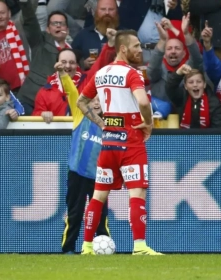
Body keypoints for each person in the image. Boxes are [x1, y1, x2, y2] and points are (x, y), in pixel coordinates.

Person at [77, 29, 160, 255]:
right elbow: (143, 101)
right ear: (123, 48)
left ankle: (86, 246)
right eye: (136, 46)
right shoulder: (132, 74)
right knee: (137, 193)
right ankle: (140, 246)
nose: (140, 50)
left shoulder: (101, 73)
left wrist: (101, 123)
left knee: (98, 196)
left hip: (109, 143)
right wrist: (148, 122)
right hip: (131, 142)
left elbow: (81, 102)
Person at [57, 28, 118, 254]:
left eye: (101, 102)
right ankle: (68, 249)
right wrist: (64, 75)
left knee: (100, 214)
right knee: (74, 213)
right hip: (76, 173)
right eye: (93, 100)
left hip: (99, 176)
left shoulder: (110, 124)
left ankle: (103, 248)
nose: (96, 104)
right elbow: (73, 92)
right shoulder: (79, 114)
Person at [166, 64, 221, 128]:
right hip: (183, 137)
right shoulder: (181, 97)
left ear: (204, 85)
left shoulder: (214, 102)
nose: (195, 85)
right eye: (191, 82)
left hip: (206, 137)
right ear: (185, 86)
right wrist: (178, 73)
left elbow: (217, 130)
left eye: (199, 82)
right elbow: (170, 88)